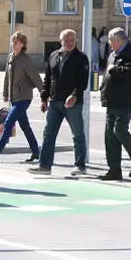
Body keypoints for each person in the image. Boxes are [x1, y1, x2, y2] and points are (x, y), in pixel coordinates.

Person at [32, 29, 90, 175]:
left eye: (73, 40)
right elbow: (48, 79)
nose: (70, 43)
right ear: (60, 41)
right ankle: (44, 166)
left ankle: (80, 165)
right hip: (54, 102)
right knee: (49, 133)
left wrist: (74, 95)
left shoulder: (81, 58)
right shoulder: (53, 56)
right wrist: (44, 98)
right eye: (67, 40)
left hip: (73, 103)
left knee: (77, 134)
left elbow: (83, 82)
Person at [98, 27, 131, 182]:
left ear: (119, 40)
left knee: (119, 130)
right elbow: (107, 74)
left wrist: (114, 70)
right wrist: (103, 89)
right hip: (112, 99)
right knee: (109, 135)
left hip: (126, 100)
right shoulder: (113, 54)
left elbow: (130, 75)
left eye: (111, 41)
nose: (110, 44)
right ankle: (114, 170)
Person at [0, 32, 41, 164]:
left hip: (24, 98)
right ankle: (36, 152)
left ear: (22, 44)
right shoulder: (11, 57)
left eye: (16, 42)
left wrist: (44, 95)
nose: (13, 44)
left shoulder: (26, 60)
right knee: (25, 126)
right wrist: (5, 93)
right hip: (14, 98)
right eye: (13, 42)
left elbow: (36, 78)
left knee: (8, 124)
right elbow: (7, 76)